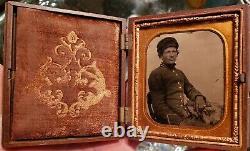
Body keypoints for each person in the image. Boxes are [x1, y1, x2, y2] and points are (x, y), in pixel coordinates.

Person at [148, 37, 217, 126]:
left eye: (174, 51)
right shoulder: (156, 74)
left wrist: (198, 96)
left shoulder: (179, 73)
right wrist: (178, 120)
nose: (172, 55)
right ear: (161, 55)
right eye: (168, 52)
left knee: (214, 118)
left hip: (185, 114)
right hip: (170, 120)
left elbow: (189, 89)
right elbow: (159, 105)